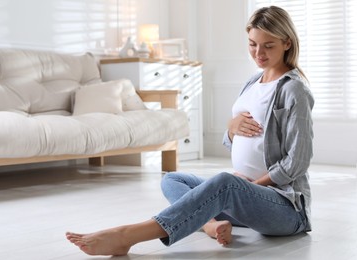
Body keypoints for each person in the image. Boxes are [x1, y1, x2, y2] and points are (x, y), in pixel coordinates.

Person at [65, 5, 314, 256]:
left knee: (225, 183)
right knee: (173, 179)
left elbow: (297, 162)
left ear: (287, 43)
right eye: (252, 44)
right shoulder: (253, 82)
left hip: (283, 208)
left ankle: (128, 235)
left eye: (268, 45)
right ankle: (209, 224)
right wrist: (230, 129)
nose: (258, 53)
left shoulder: (294, 90)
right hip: (244, 199)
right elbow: (233, 141)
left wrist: (252, 185)